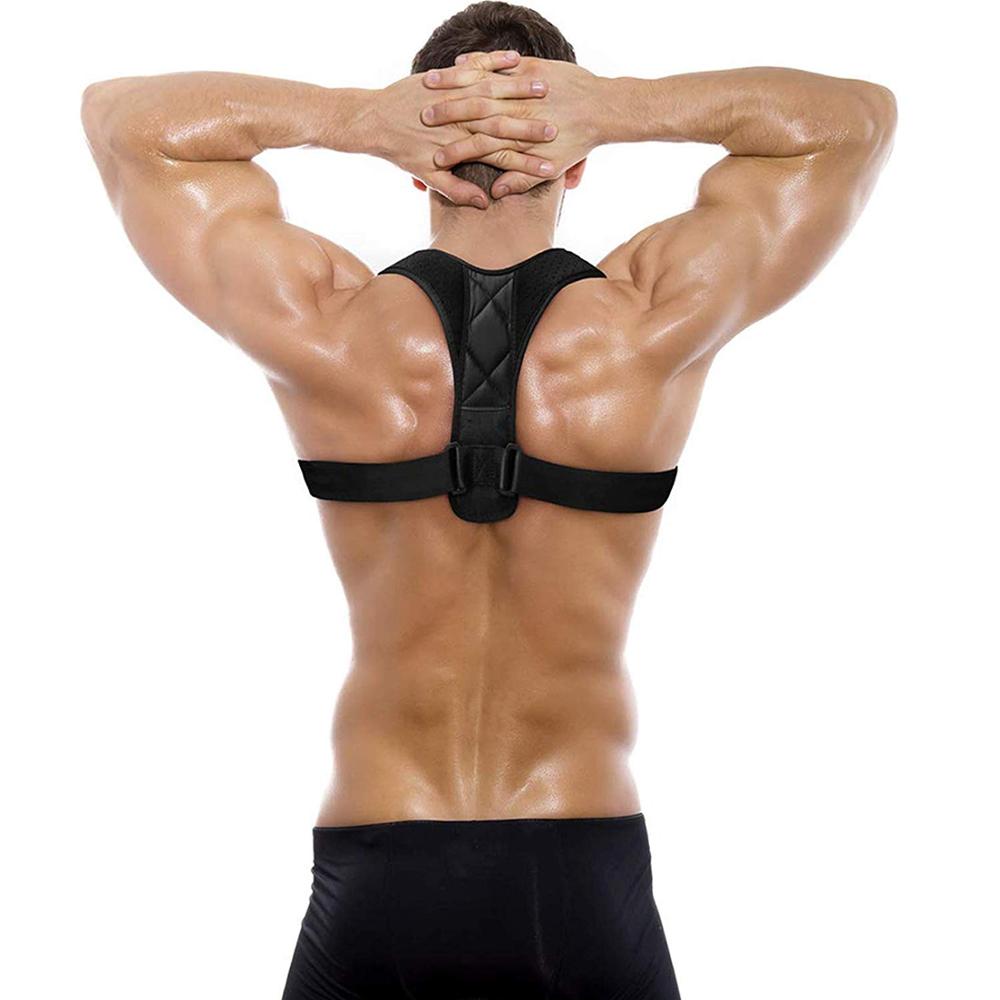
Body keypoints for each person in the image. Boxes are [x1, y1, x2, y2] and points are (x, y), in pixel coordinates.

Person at [81, 3, 896, 997]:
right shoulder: (650, 323)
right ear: (576, 165)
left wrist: (353, 120)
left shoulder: (323, 324)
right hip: (579, 854)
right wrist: (619, 109)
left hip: (379, 851)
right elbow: (853, 121)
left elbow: (124, 119)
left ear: (415, 168)